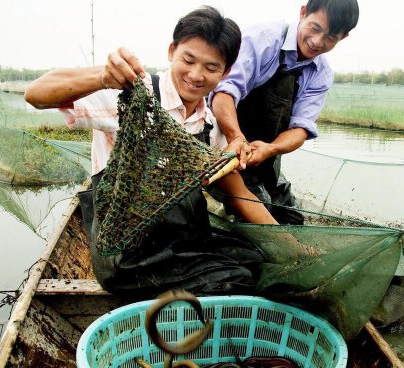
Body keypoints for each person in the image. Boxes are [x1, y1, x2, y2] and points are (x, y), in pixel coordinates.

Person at [25, 6, 274, 295]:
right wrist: (102, 77)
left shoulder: (209, 124)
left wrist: (287, 240)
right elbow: (36, 94)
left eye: (211, 67)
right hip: (128, 255)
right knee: (235, 279)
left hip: (182, 241)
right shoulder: (132, 95)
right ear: (172, 51)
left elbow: (236, 191)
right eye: (188, 60)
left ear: (225, 72)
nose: (196, 75)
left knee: (257, 260)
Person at [210, 0, 359, 225]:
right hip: (224, 144)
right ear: (302, 13)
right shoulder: (264, 39)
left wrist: (271, 149)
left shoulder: (321, 74)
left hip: (264, 154)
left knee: (292, 219)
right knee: (257, 213)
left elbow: (300, 129)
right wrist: (236, 138)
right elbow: (224, 93)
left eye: (330, 38)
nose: (317, 42)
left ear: (343, 38)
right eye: (315, 28)